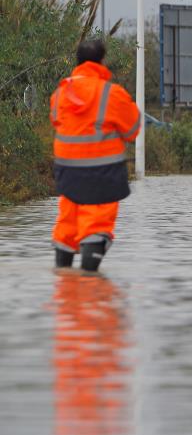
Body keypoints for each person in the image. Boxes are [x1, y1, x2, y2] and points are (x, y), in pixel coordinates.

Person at [50, 39, 141, 271]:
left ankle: (64, 281)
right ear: (102, 61)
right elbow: (133, 130)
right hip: (103, 172)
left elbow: (56, 121)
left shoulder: (60, 92)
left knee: (67, 223)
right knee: (96, 225)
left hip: (67, 172)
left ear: (78, 62)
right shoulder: (113, 94)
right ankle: (91, 285)